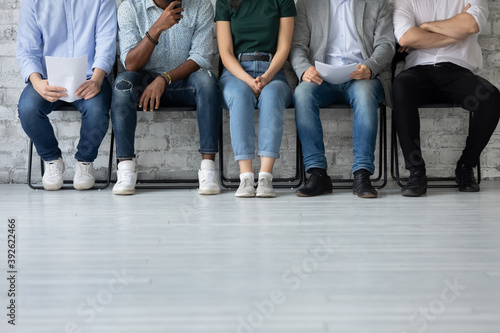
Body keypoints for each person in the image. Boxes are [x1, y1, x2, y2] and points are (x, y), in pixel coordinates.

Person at [112, 0, 221, 195]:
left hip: (184, 81)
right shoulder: (130, 7)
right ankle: (126, 169)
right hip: (145, 83)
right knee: (122, 85)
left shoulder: (200, 5)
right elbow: (130, 64)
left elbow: (201, 57)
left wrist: (165, 78)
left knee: (208, 81)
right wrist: (157, 28)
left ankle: (208, 169)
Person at [393, 0, 500, 197]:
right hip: (419, 72)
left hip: (458, 73)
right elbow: (406, 37)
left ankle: (466, 167)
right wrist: (455, 33)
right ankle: (417, 172)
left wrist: (426, 27)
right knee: (401, 86)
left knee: (491, 97)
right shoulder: (407, 1)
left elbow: (471, 25)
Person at [290, 0, 394, 198]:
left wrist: (371, 66)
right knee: (302, 93)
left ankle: (362, 174)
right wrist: (304, 69)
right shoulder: (306, 4)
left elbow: (386, 44)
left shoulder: (377, 3)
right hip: (322, 77)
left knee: (364, 95)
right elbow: (297, 46)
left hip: (362, 75)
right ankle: (317, 173)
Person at [16, 0, 117, 191]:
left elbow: (106, 42)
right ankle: (52, 160)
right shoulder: (33, 2)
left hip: (90, 77)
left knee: (97, 111)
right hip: (48, 79)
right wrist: (37, 82)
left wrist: (96, 79)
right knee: (27, 109)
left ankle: (85, 162)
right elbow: (27, 49)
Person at [215, 0, 296, 198]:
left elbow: (284, 48)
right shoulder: (224, 1)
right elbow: (225, 53)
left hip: (273, 72)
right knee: (240, 95)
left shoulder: (283, 1)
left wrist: (267, 77)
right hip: (236, 72)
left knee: (272, 95)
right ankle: (246, 178)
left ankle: (266, 177)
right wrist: (248, 80)